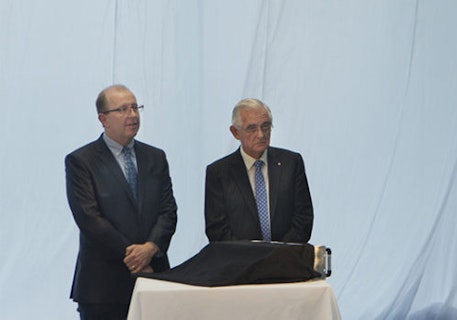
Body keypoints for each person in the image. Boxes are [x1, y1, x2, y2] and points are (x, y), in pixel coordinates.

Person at [65, 84, 178, 320]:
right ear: (103, 119)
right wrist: (134, 257)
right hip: (102, 286)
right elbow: (89, 219)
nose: (133, 115)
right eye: (123, 109)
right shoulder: (81, 161)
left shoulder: (155, 157)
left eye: (136, 107)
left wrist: (150, 249)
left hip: (153, 278)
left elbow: (168, 211)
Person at [204, 98, 314, 243]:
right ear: (235, 132)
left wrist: (278, 254)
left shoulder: (291, 163)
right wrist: (252, 258)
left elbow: (303, 217)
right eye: (252, 128)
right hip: (240, 263)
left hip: (285, 259)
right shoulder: (219, 173)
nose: (261, 135)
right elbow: (217, 229)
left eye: (265, 126)